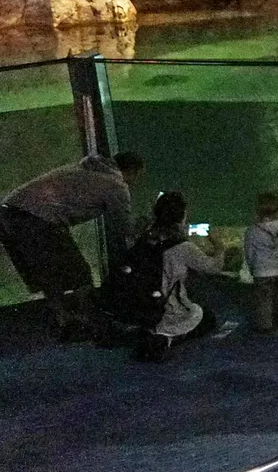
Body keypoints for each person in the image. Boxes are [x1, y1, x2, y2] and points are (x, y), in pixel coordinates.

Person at [0, 150, 144, 339]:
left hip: (7, 215)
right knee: (81, 274)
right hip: (37, 219)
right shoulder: (116, 185)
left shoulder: (83, 168)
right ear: (131, 171)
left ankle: (64, 322)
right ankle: (95, 325)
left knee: (48, 274)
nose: (135, 183)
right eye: (137, 176)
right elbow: (123, 228)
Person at [133, 190, 232, 362]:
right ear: (182, 216)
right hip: (169, 310)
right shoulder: (182, 247)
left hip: (144, 308)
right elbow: (213, 267)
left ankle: (153, 334)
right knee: (207, 317)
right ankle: (167, 339)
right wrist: (220, 247)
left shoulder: (143, 239)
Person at [243, 191, 278, 333]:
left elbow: (249, 252)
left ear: (257, 210)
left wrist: (252, 268)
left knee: (263, 299)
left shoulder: (252, 230)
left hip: (262, 271)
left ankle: (265, 327)